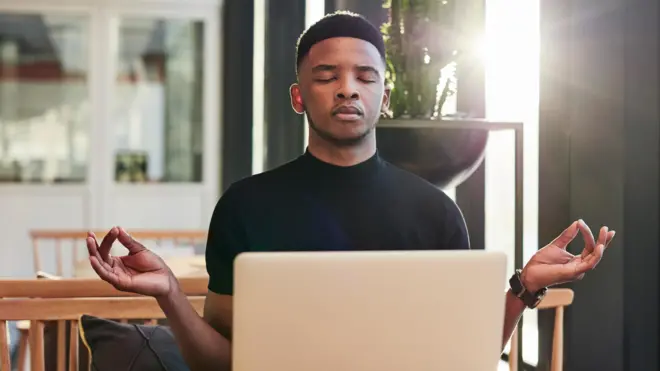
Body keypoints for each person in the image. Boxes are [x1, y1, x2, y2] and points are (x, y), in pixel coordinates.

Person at [85, 11, 615, 371]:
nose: (347, 87)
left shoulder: (436, 213)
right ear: (298, 96)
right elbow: (221, 363)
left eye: (365, 76)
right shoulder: (245, 205)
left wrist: (523, 287)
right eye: (326, 75)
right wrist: (171, 295)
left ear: (384, 96)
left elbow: (464, 353)